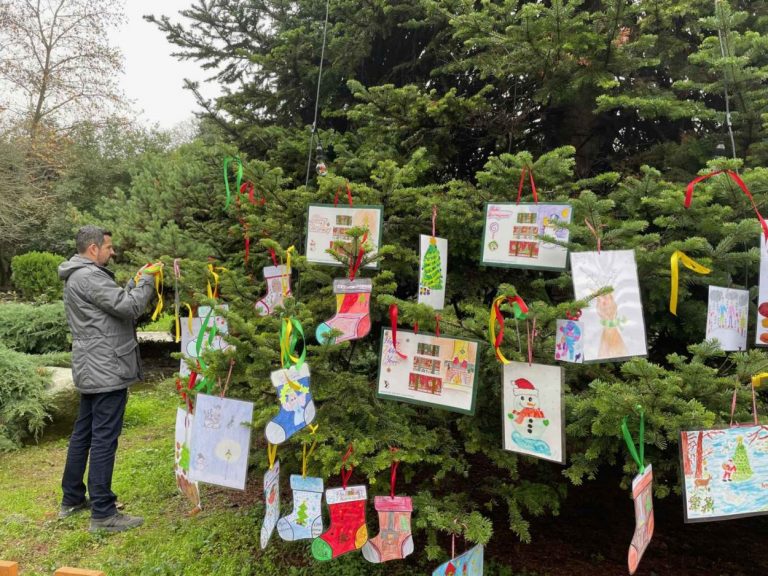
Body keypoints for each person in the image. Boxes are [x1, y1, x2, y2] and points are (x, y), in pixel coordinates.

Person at [57, 225, 162, 533]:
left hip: (92, 366)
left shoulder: (80, 275)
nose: (112, 251)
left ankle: (72, 498)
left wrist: (135, 280)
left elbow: (112, 301)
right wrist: (148, 282)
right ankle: (103, 513)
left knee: (84, 433)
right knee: (103, 438)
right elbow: (128, 307)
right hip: (107, 369)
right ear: (93, 249)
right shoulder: (89, 276)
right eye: (108, 247)